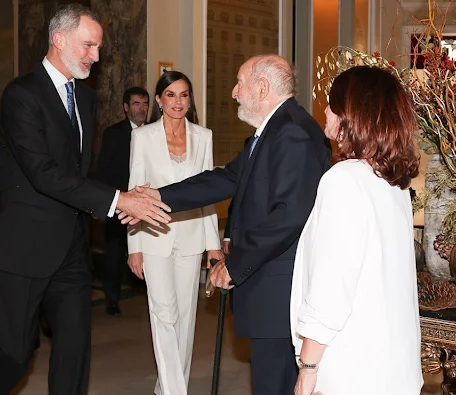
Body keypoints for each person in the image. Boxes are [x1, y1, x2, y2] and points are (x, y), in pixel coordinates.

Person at [0, 5, 170, 395]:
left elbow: (80, 175)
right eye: (88, 46)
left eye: (98, 48)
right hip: (21, 249)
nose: (95, 57)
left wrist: (127, 199)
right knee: (15, 354)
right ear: (59, 39)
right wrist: (119, 199)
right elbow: (45, 174)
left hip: (69, 250)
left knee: (74, 353)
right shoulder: (21, 94)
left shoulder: (84, 97)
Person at [125, 54, 330, 394]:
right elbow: (221, 181)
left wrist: (236, 264)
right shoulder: (272, 131)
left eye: (240, 83)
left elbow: (288, 216)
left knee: (275, 382)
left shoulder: (292, 132)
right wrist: (154, 198)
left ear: (261, 88)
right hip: (269, 286)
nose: (234, 92)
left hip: (280, 290)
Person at [290, 66, 423, 395]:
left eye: (332, 104)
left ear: (352, 115)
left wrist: (308, 368)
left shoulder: (343, 180)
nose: (324, 110)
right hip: (391, 368)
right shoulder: (393, 184)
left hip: (351, 369)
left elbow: (331, 290)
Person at [126, 71, 223, 395]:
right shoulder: (143, 137)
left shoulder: (203, 136)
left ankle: (167, 385)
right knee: (163, 314)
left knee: (185, 318)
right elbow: (134, 191)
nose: (178, 102)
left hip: (193, 237)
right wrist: (133, 245)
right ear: (159, 100)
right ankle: (174, 391)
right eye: (171, 95)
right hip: (153, 236)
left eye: (184, 95)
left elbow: (207, 192)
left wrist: (213, 245)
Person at [95, 86, 149, 315]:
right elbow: (104, 170)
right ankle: (112, 298)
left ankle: (148, 293)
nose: (142, 109)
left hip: (147, 202)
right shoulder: (113, 133)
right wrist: (104, 203)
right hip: (119, 203)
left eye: (145, 104)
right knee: (115, 252)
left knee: (147, 250)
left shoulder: (155, 132)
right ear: (126, 107)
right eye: (136, 104)